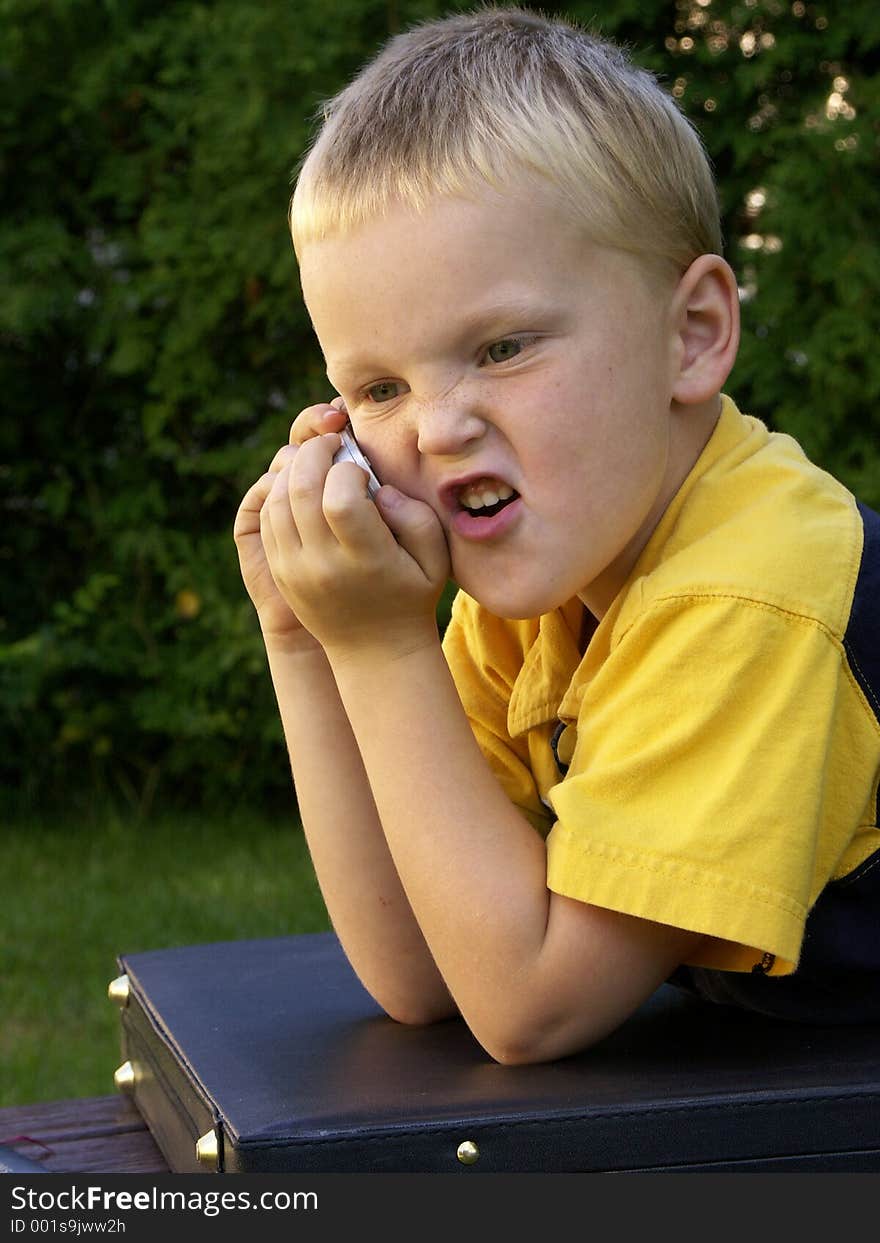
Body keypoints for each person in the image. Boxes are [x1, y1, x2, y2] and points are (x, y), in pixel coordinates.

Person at [233, 6, 880, 1064]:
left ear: (692, 335)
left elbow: (530, 1005)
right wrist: (310, 640)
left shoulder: (746, 589)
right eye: (379, 386)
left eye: (499, 347)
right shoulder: (537, 591)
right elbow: (422, 974)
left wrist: (385, 646)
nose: (438, 428)